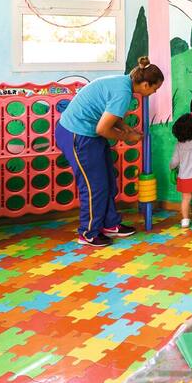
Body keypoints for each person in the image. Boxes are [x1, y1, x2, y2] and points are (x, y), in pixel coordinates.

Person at [54, 57, 164, 247]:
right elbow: (103, 129)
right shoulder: (123, 93)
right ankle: (88, 233)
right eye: (155, 88)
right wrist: (127, 137)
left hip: (89, 133)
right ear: (145, 84)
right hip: (76, 134)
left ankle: (110, 223)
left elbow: (110, 114)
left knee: (108, 180)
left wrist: (127, 128)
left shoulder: (123, 83)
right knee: (94, 186)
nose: (154, 92)